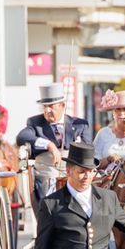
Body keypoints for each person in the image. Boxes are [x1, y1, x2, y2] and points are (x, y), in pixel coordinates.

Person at [16, 83, 92, 228]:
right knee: (49, 185)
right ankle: (50, 220)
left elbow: (89, 149)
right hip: (47, 172)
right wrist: (48, 145)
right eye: (45, 107)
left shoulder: (80, 124)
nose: (47, 110)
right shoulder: (35, 122)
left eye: (51, 106)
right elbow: (22, 137)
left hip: (74, 171)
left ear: (62, 106)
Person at [93, 89, 125, 165]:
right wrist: (109, 159)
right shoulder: (103, 133)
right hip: (107, 176)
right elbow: (94, 164)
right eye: (118, 109)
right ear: (113, 113)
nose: (121, 113)